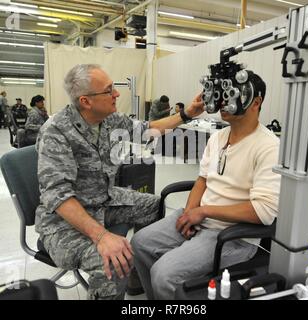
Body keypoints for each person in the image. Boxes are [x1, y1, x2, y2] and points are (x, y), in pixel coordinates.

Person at [35, 64, 204, 300]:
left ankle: (137, 276)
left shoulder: (109, 119)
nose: (116, 94)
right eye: (108, 90)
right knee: (113, 262)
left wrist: (187, 114)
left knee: (155, 206)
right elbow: (58, 196)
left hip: (104, 200)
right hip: (64, 221)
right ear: (86, 101)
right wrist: (102, 236)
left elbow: (147, 129)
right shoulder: (56, 132)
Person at [131, 71, 281, 300]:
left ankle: (170, 288)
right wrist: (190, 212)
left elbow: (264, 212)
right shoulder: (218, 138)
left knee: (164, 274)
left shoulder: (269, 146)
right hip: (200, 218)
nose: (222, 102)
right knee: (140, 243)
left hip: (231, 235)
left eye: (232, 95)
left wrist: (204, 211)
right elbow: (202, 180)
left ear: (256, 101)